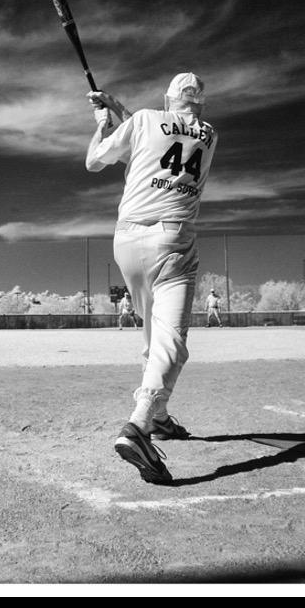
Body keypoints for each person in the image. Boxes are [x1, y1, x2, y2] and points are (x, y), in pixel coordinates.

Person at [86, 72, 217, 485]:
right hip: (173, 242)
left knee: (152, 337)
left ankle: (159, 417)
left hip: (126, 242)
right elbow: (161, 137)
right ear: (201, 104)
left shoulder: (142, 120)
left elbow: (97, 160)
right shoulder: (209, 135)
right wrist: (117, 112)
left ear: (167, 98)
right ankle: (139, 425)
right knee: (170, 344)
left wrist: (103, 126)